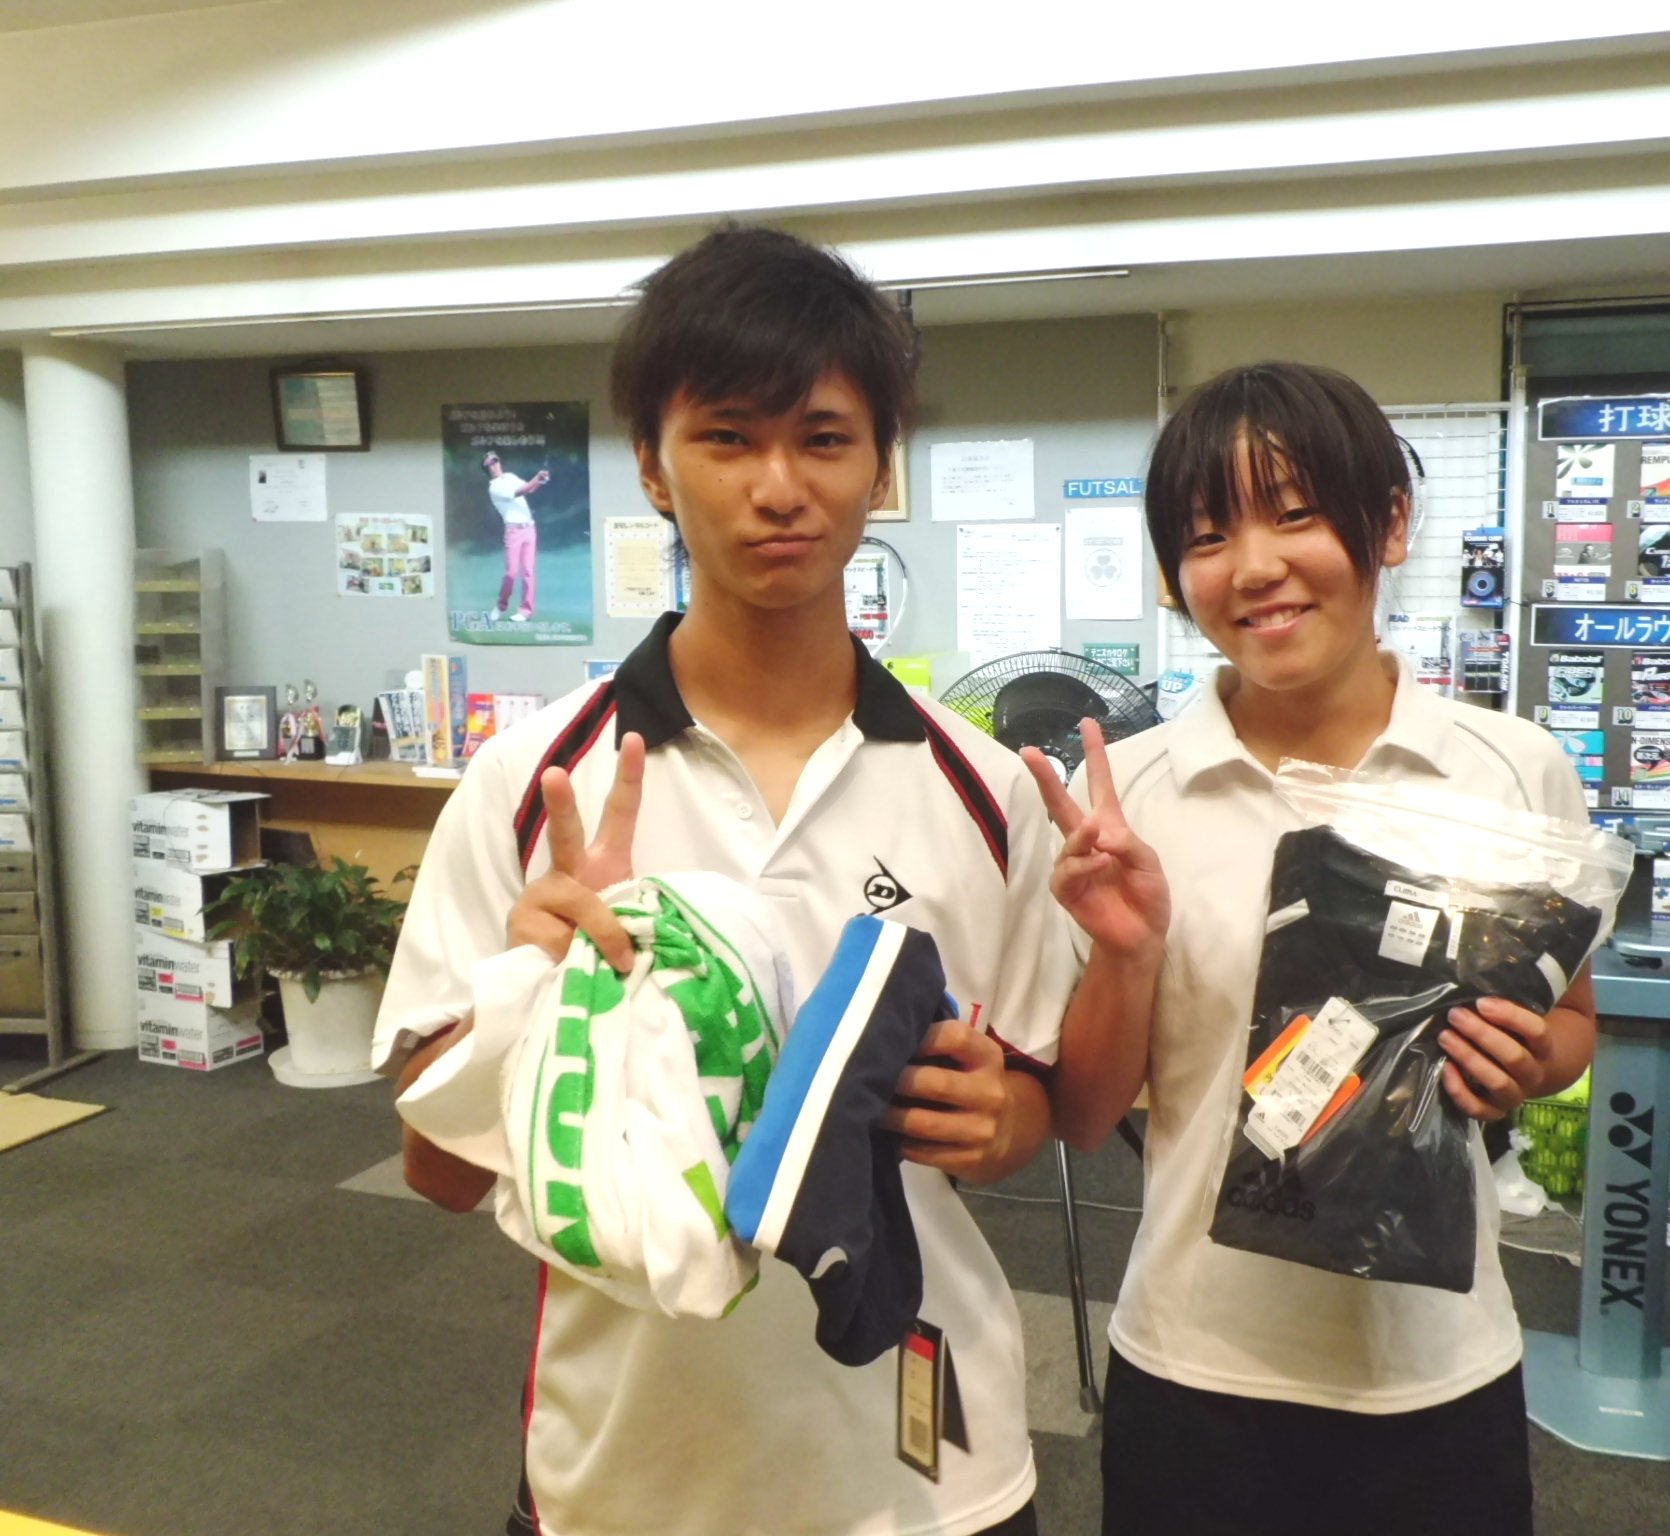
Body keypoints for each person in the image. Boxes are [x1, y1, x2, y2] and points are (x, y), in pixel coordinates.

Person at [376, 224, 1163, 1536]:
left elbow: (1036, 1109)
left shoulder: (982, 789)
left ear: (879, 466)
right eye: (728, 438)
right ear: (652, 463)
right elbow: (436, 1174)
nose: (779, 487)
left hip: (928, 1477)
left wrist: (996, 1120)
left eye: (824, 437)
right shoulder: (535, 784)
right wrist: (527, 989)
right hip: (626, 1477)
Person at [1026, 362, 1600, 1536]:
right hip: (1193, 1368)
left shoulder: (1509, 769)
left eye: (1293, 515)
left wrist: (1527, 1063)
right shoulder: (1129, 797)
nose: (1252, 567)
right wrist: (1127, 955)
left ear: (1386, 523)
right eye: (1205, 536)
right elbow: (1083, 1117)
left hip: (1439, 1369)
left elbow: (1573, 1024)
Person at [483, 449, 549, 621]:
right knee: (511, 572)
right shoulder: (494, 488)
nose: (494, 465)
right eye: (490, 464)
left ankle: (525, 611)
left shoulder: (510, 476)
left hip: (529, 528)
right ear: (486, 469)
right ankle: (501, 605)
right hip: (513, 531)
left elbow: (529, 489)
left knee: (528, 571)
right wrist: (536, 477)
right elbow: (519, 492)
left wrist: (540, 480)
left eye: (495, 461)